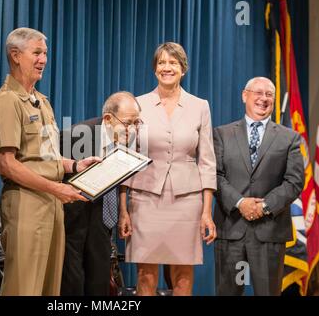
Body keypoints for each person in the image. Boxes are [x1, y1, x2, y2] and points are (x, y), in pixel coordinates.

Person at [0, 27, 99, 296]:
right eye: (36, 53)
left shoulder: (42, 102)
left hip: (52, 204)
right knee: (24, 287)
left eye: (45, 53)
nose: (43, 60)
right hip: (27, 204)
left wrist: (74, 166)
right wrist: (56, 188)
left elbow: (47, 156)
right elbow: (7, 165)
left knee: (50, 289)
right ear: (15, 55)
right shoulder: (6, 101)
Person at [118, 42, 217, 296]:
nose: (167, 67)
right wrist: (123, 209)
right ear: (154, 69)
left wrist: (207, 212)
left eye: (173, 63)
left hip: (187, 202)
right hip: (145, 200)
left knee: (183, 276)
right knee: (145, 274)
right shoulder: (137, 105)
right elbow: (125, 159)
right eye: (161, 62)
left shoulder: (200, 106)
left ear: (183, 69)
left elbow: (207, 161)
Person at [213, 77, 304, 296]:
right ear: (245, 95)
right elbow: (215, 175)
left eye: (269, 94)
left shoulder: (289, 138)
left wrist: (263, 207)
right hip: (231, 230)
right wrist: (240, 202)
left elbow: (294, 181)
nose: (264, 99)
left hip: (269, 233)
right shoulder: (222, 134)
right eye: (258, 93)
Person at [60, 91, 142, 296]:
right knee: (73, 282)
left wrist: (123, 212)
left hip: (102, 220)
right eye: (128, 123)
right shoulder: (77, 136)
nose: (132, 130)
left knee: (99, 282)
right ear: (108, 119)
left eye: (137, 123)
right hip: (73, 222)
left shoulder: (126, 137)